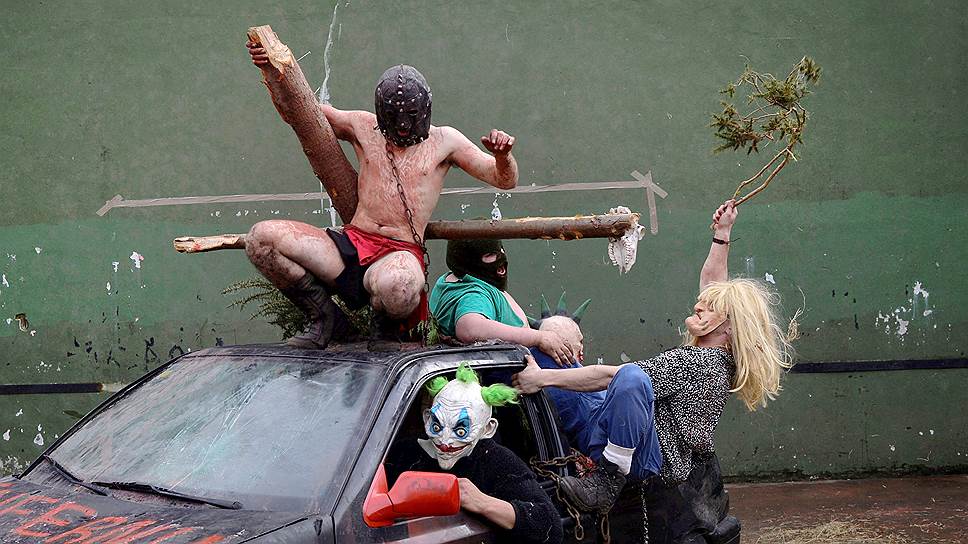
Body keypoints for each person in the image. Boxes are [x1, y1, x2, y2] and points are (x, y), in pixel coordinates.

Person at [512, 199, 795, 519]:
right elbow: (713, 289)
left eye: (710, 307)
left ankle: (607, 481)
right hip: (614, 423)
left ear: (728, 328)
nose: (699, 306)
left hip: (644, 458)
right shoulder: (717, 354)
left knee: (629, 377)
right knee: (544, 355)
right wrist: (722, 234)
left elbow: (611, 377)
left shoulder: (700, 363)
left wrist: (542, 379)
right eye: (704, 302)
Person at [245, 44, 519, 349]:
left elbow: (503, 180)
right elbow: (299, 113)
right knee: (261, 240)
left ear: (425, 109)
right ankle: (326, 320)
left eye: (411, 115)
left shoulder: (446, 141)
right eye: (393, 116)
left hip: (398, 254)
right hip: (350, 245)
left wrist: (503, 156)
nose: (402, 125)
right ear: (380, 111)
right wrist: (271, 69)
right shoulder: (363, 125)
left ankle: (385, 330)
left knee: (398, 285)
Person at [385, 362, 563, 544]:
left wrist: (482, 503)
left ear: (488, 428)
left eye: (460, 430)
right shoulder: (404, 452)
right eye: (437, 426)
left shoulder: (496, 461)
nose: (445, 441)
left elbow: (550, 526)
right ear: (427, 418)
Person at [429, 238, 576, 366]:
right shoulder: (474, 294)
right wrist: (538, 338)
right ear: (468, 261)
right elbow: (469, 329)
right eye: (490, 255)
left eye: (501, 249)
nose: (501, 257)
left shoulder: (451, 280)